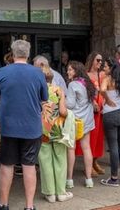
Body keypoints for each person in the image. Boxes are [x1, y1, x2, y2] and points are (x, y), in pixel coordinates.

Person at [0, 39, 48, 210]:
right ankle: (29, 206)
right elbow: (44, 98)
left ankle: (4, 204)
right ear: (28, 54)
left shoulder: (3, 71)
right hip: (32, 127)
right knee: (29, 166)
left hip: (8, 127)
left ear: (13, 54)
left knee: (7, 165)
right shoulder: (38, 73)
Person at [37, 62, 72, 203]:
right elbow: (63, 111)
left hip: (42, 129)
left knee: (45, 160)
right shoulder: (58, 90)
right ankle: (61, 192)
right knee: (60, 159)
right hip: (57, 129)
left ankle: (50, 193)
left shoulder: (37, 91)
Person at [99, 60, 120, 186]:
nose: (104, 68)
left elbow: (102, 90)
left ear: (111, 68)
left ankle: (114, 178)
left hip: (110, 114)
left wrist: (107, 99)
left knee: (113, 146)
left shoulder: (107, 79)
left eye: (106, 66)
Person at [65, 60, 96, 188]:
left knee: (71, 148)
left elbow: (70, 104)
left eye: (70, 69)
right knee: (86, 148)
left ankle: (69, 180)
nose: (68, 72)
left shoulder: (73, 85)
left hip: (75, 120)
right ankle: (89, 179)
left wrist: (61, 100)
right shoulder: (88, 83)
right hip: (87, 120)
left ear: (76, 71)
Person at [77, 52, 106, 177]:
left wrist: (104, 102)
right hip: (91, 109)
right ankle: (88, 164)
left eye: (101, 61)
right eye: (97, 60)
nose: (100, 63)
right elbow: (85, 92)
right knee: (91, 137)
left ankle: (95, 161)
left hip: (102, 109)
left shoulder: (103, 74)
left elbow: (106, 91)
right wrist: (93, 101)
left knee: (99, 136)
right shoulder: (86, 76)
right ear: (92, 60)